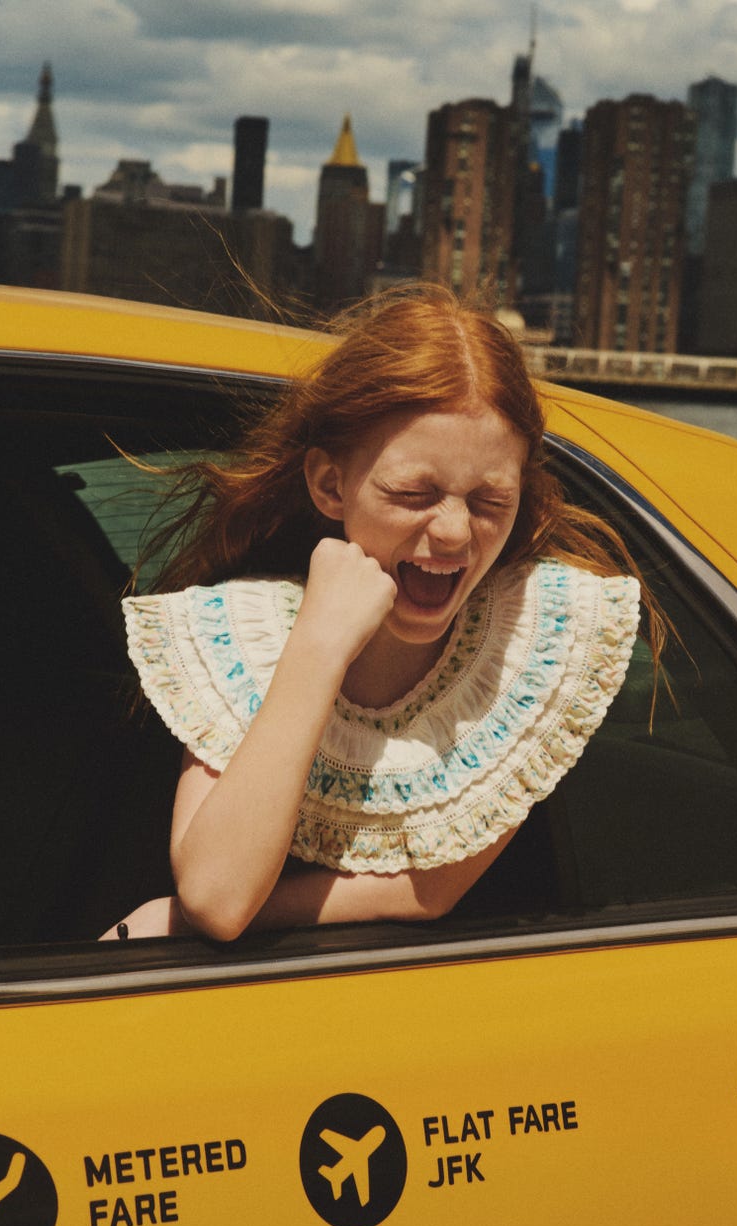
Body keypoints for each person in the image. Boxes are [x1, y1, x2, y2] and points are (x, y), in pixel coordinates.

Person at [101, 286, 660, 942]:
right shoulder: (238, 636)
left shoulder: (536, 640)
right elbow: (218, 892)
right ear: (330, 485)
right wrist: (318, 642)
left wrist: (168, 922)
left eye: (490, 501)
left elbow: (427, 892)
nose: (453, 532)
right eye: (414, 492)